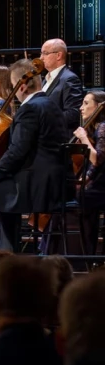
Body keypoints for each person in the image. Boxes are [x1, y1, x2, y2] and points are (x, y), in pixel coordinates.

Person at [0, 59, 68, 255]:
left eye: (12, 85)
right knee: (2, 186)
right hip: (55, 184)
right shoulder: (51, 105)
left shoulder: (30, 109)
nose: (13, 90)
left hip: (36, 187)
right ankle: (8, 252)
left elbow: (17, 152)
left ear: (23, 86)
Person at [72, 90, 105, 254]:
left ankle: (87, 255)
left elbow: (97, 160)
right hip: (98, 184)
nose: (81, 108)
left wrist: (83, 138)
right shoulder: (97, 128)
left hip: (101, 187)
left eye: (86, 103)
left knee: (83, 196)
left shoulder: (103, 127)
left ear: (98, 106)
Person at [40, 38, 83, 138]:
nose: (41, 58)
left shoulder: (69, 79)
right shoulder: (45, 79)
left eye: (45, 53)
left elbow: (73, 113)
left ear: (58, 55)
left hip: (59, 138)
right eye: (41, 53)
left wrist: (44, 121)